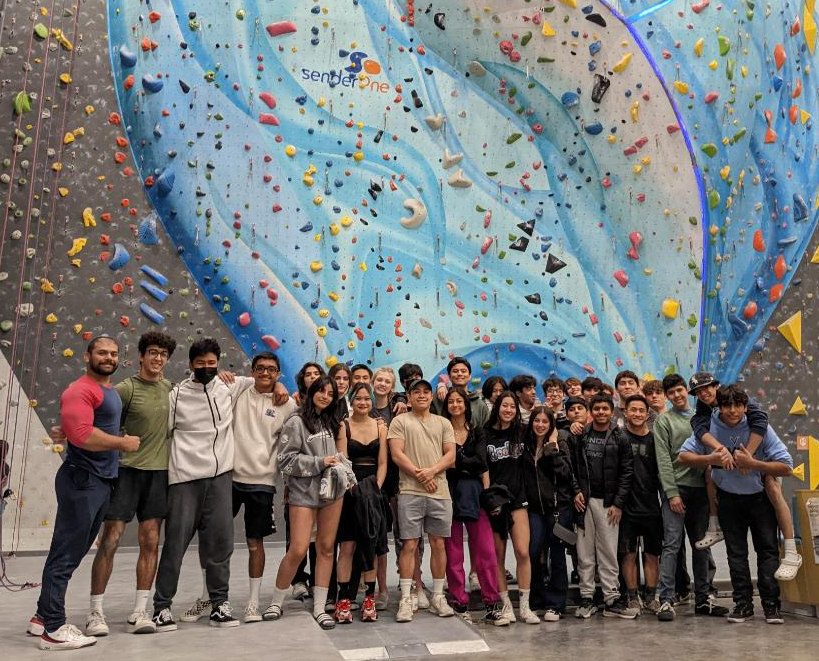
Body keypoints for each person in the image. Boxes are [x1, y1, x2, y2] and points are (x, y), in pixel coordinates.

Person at [32, 337, 140, 650]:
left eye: (114, 353)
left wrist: (68, 429)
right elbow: (81, 435)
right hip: (83, 480)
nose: (108, 357)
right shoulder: (81, 389)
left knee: (72, 552)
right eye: (102, 352)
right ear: (87, 356)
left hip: (99, 481)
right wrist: (121, 443)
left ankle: (41, 616)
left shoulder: (108, 391)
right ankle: (53, 629)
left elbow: (81, 427)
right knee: (65, 556)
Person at [83, 332, 176, 637]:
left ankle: (140, 611)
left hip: (158, 475)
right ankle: (95, 613)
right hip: (126, 474)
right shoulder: (125, 389)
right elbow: (99, 426)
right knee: (110, 540)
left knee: (150, 542)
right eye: (152, 352)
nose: (157, 358)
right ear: (140, 356)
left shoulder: (171, 390)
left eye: (163, 353)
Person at [679, 385, 794, 624]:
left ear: (745, 406)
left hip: (760, 499)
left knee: (767, 551)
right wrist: (709, 458)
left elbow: (786, 467)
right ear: (718, 407)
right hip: (729, 499)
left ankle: (771, 605)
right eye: (727, 406)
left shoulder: (759, 427)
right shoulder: (708, 426)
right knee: (736, 554)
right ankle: (742, 604)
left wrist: (755, 464)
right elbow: (683, 457)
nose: (732, 411)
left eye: (738, 406)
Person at [152, 338, 241, 631]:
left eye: (211, 363)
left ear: (218, 363)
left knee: (220, 544)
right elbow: (161, 429)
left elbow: (264, 385)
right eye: (200, 363)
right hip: (185, 478)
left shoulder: (228, 386)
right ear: (191, 365)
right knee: (175, 544)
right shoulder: (175, 394)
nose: (206, 368)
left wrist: (278, 388)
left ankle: (219, 605)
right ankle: (161, 607)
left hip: (220, 478)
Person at [210, 352, 298, 623]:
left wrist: (282, 390)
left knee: (254, 543)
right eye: (260, 368)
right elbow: (210, 381)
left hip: (262, 482)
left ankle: (251, 604)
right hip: (230, 477)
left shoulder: (288, 405)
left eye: (271, 370)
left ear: (278, 373)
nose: (265, 373)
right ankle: (210, 600)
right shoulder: (240, 388)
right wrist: (221, 374)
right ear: (252, 370)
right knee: (218, 541)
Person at [688, 372, 801, 580]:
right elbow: (698, 430)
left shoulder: (740, 401)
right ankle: (714, 526)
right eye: (698, 392)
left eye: (707, 388)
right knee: (709, 471)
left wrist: (748, 459)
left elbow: (760, 421)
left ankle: (792, 550)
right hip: (731, 485)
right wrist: (719, 451)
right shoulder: (704, 411)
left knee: (772, 486)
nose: (703, 394)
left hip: (757, 466)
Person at [264, 375, 348, 629]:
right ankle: (276, 601)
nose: (325, 396)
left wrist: (347, 474)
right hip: (303, 493)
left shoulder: (333, 423)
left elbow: (342, 457)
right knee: (299, 549)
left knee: (325, 548)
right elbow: (285, 461)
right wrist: (319, 463)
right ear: (311, 393)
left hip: (333, 492)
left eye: (330, 393)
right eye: (321, 391)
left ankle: (321, 607)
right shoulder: (296, 422)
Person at [653, 374, 728, 622]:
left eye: (679, 390)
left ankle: (704, 600)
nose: (676, 395)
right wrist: (672, 493)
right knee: (672, 545)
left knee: (701, 546)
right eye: (671, 392)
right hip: (677, 491)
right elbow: (663, 460)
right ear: (667, 396)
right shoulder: (664, 422)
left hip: (702, 491)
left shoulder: (703, 418)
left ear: (687, 391)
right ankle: (665, 600)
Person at [388, 378, 456, 623]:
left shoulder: (443, 422)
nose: (422, 395)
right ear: (409, 396)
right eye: (416, 392)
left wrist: (431, 472)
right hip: (410, 491)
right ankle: (407, 598)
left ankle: (438, 596)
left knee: (438, 543)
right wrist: (420, 474)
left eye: (426, 392)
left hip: (440, 492)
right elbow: (397, 454)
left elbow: (450, 455)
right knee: (409, 545)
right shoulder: (399, 421)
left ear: (431, 396)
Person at [441, 387, 509, 626]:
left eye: (459, 401)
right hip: (447, 493)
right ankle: (459, 603)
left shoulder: (477, 432)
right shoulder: (440, 430)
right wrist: (463, 463)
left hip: (474, 494)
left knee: (486, 552)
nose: (455, 405)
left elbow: (481, 462)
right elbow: (443, 464)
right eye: (451, 401)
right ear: (446, 405)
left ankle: (492, 605)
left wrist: (455, 459)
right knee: (453, 552)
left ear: (466, 405)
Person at [569, 394, 637, 619]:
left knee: (608, 551)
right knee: (584, 552)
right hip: (584, 502)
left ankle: (611, 598)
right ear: (591, 410)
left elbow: (627, 472)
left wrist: (618, 503)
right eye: (596, 408)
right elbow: (572, 467)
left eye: (605, 409)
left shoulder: (621, 437)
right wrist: (576, 490)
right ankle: (587, 598)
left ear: (612, 411)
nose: (600, 412)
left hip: (609, 504)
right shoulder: (580, 435)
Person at [334, 383, 388, 623]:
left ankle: (369, 599)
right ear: (352, 401)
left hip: (373, 493)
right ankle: (344, 599)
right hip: (350, 492)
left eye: (367, 399)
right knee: (347, 547)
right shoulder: (343, 426)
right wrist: (353, 488)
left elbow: (384, 462)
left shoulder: (380, 427)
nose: (363, 403)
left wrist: (375, 488)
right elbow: (342, 462)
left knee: (371, 548)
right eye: (359, 399)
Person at [484, 392, 538, 624]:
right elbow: (483, 469)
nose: (508, 410)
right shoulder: (484, 434)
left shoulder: (522, 431)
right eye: (504, 406)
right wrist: (488, 498)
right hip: (496, 501)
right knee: (498, 555)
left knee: (523, 551)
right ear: (497, 407)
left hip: (518, 498)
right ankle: (506, 606)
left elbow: (548, 427)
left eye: (512, 407)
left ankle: (524, 606)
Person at [523, 406, 574, 622]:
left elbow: (565, 474)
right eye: (537, 421)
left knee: (557, 555)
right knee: (532, 552)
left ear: (551, 425)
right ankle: (537, 600)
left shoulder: (559, 444)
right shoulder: (525, 446)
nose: (540, 425)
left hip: (557, 509)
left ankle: (556, 604)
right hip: (534, 509)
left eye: (545, 422)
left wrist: (552, 448)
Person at [618, 395, 662, 615]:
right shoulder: (618, 438)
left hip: (651, 507)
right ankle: (632, 597)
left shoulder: (655, 440)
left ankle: (651, 597)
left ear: (647, 414)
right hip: (625, 509)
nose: (636, 414)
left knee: (652, 554)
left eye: (640, 410)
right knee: (628, 554)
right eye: (632, 410)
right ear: (625, 412)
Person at [433, 357, 489, 427]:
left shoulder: (480, 406)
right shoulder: (440, 397)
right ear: (449, 377)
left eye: (463, 371)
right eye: (455, 371)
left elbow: (487, 432)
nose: (459, 374)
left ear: (469, 376)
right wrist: (440, 385)